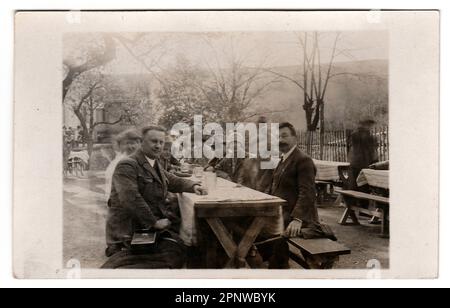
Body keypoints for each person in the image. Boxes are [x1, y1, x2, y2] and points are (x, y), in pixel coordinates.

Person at [102, 125, 207, 269]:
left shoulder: (153, 162)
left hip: (143, 225)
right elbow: (131, 199)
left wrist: (193, 186)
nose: (158, 146)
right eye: (153, 141)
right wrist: (154, 223)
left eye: (161, 142)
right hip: (130, 230)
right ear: (142, 142)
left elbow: (171, 179)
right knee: (176, 254)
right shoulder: (127, 164)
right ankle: (119, 267)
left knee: (184, 247)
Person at [258, 122, 323, 268]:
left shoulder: (303, 160)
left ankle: (278, 267)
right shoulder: (283, 160)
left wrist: (298, 219)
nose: (281, 140)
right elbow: (273, 188)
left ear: (295, 138)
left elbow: (308, 193)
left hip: (299, 218)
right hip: (281, 213)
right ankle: (274, 262)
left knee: (263, 231)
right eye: (278, 137)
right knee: (251, 224)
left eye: (285, 136)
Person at [104, 129, 142, 200]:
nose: (130, 147)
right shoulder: (118, 163)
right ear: (120, 146)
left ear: (139, 144)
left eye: (133, 143)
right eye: (127, 143)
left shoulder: (139, 160)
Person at [347, 118, 379, 189]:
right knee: (363, 185)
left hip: (355, 163)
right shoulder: (368, 137)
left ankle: (353, 198)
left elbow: (351, 148)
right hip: (363, 163)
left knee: (354, 184)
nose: (371, 128)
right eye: (370, 126)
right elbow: (372, 151)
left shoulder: (354, 135)